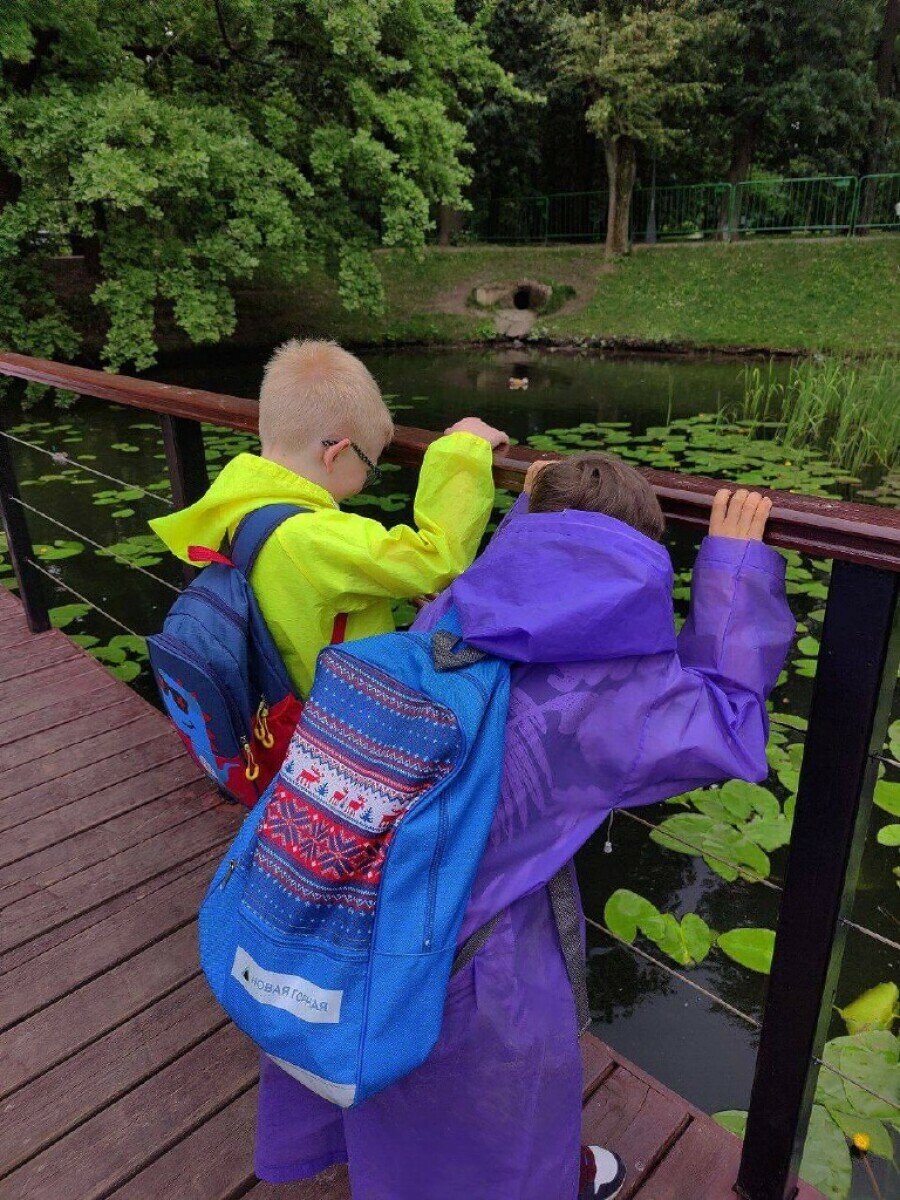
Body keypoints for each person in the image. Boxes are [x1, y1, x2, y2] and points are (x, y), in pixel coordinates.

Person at [253, 450, 795, 1200]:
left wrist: (529, 506)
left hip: (355, 899)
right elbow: (729, 722)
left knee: (389, 1079)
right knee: (491, 1113)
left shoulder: (452, 610)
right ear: (639, 563)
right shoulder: (620, 694)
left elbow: (531, 577)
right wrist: (732, 570)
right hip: (473, 949)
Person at [150, 338, 508, 697]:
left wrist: (390, 585)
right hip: (335, 719)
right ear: (335, 455)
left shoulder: (238, 505)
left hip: (277, 700)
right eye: (370, 468)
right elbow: (437, 558)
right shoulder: (315, 535)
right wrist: (463, 450)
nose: (368, 480)